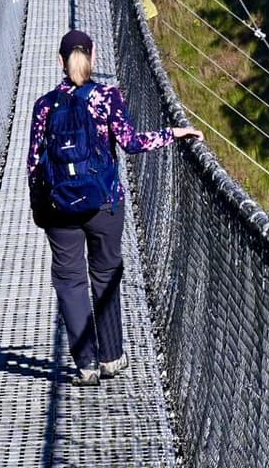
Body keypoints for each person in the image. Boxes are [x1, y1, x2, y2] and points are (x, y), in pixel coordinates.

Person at [28, 29, 202, 386]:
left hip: (59, 208)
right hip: (104, 203)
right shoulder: (108, 97)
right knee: (105, 274)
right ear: (93, 57)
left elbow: (34, 164)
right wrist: (174, 133)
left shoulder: (44, 105)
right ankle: (110, 356)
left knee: (69, 280)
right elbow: (131, 143)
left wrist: (39, 209)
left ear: (60, 61)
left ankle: (86, 365)